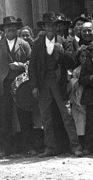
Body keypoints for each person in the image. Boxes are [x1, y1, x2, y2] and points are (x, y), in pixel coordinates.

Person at [29, 12, 83, 157]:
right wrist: (34, 86)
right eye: (47, 25)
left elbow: (73, 62)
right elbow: (32, 66)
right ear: (44, 27)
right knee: (46, 116)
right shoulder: (38, 43)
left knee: (67, 114)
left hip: (59, 81)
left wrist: (63, 52)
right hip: (43, 82)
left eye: (53, 25)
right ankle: (50, 148)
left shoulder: (65, 41)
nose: (50, 28)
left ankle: (75, 146)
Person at [0, 16, 33, 157]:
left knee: (24, 115)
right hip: (5, 84)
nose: (11, 29)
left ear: (16, 29)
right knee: (5, 117)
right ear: (4, 30)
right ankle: (4, 149)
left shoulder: (24, 44)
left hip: (21, 84)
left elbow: (31, 62)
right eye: (8, 27)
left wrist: (22, 66)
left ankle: (28, 147)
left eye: (13, 26)